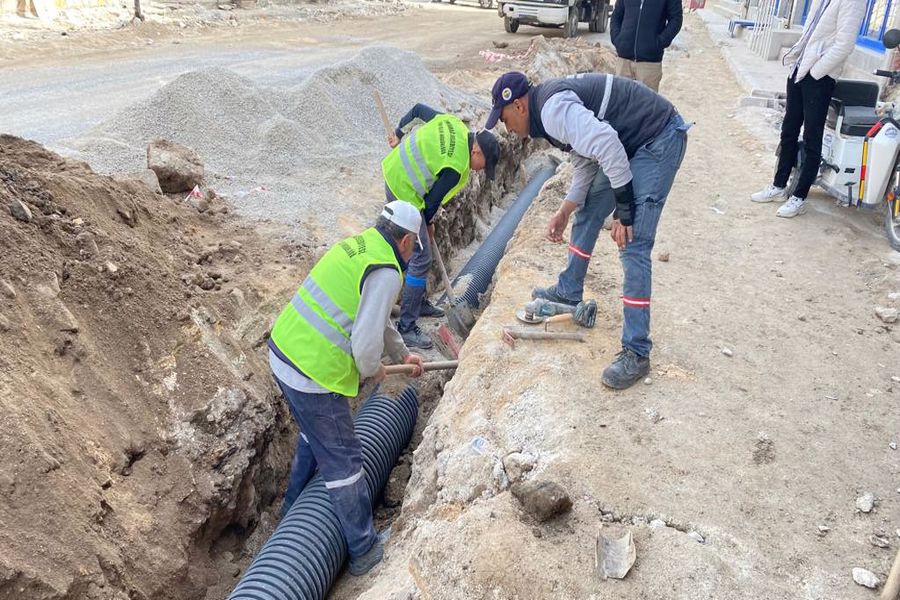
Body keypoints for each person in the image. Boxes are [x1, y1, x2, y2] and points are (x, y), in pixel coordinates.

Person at [485, 71, 689, 390]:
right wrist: (564, 211)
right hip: (626, 142)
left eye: (505, 118)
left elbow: (606, 144)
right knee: (588, 210)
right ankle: (569, 290)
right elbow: (587, 161)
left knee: (632, 242)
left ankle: (636, 352)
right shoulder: (548, 111)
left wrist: (624, 209)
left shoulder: (552, 111)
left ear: (520, 106)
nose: (507, 128)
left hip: (657, 138)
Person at [267, 201, 426, 576]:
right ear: (405, 242)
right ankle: (363, 549)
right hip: (311, 373)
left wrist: (403, 353)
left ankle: (291, 514)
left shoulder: (360, 247)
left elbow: (377, 317)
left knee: (312, 435)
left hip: (284, 353)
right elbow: (365, 345)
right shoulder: (387, 271)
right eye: (412, 248)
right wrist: (375, 369)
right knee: (345, 463)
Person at [382, 103, 501, 349]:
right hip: (404, 191)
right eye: (483, 165)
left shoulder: (454, 124)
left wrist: (399, 134)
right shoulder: (457, 167)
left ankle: (419, 301)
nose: (480, 171)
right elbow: (429, 203)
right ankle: (406, 326)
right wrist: (427, 224)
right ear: (476, 151)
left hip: (395, 170)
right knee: (421, 258)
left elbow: (416, 110)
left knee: (421, 249)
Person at [750, 0, 866, 217]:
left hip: (819, 78)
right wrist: (799, 65)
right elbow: (810, 32)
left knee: (812, 138)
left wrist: (816, 72)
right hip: (799, 70)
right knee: (789, 132)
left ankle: (799, 197)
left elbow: (845, 44)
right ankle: (778, 186)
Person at [610, 0, 683, 92]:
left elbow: (676, 19)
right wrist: (617, 39)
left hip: (649, 64)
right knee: (620, 101)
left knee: (646, 104)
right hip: (623, 62)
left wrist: (659, 43)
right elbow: (616, 16)